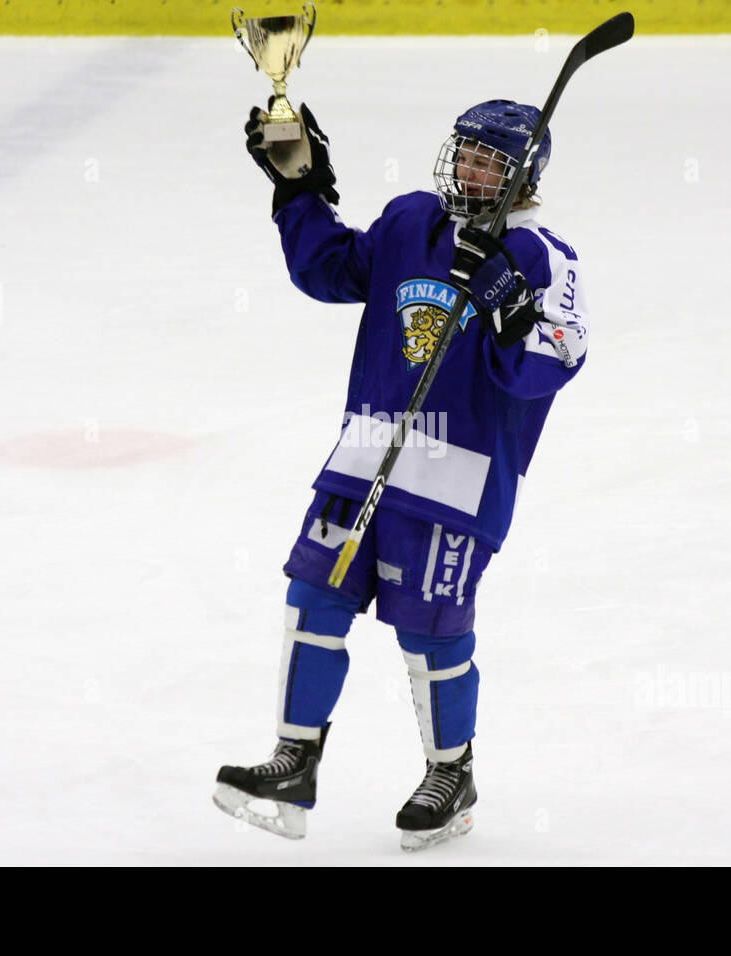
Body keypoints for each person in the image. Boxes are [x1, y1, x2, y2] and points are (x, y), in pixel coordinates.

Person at [212, 97, 589, 851]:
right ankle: (294, 761)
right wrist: (299, 191)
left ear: (523, 176)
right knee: (312, 596)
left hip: (458, 476)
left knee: (428, 629)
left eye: (492, 159)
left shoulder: (545, 255)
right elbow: (330, 270)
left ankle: (451, 774)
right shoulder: (412, 220)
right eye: (468, 152)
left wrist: (509, 310)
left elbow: (557, 359)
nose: (473, 168)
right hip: (364, 455)